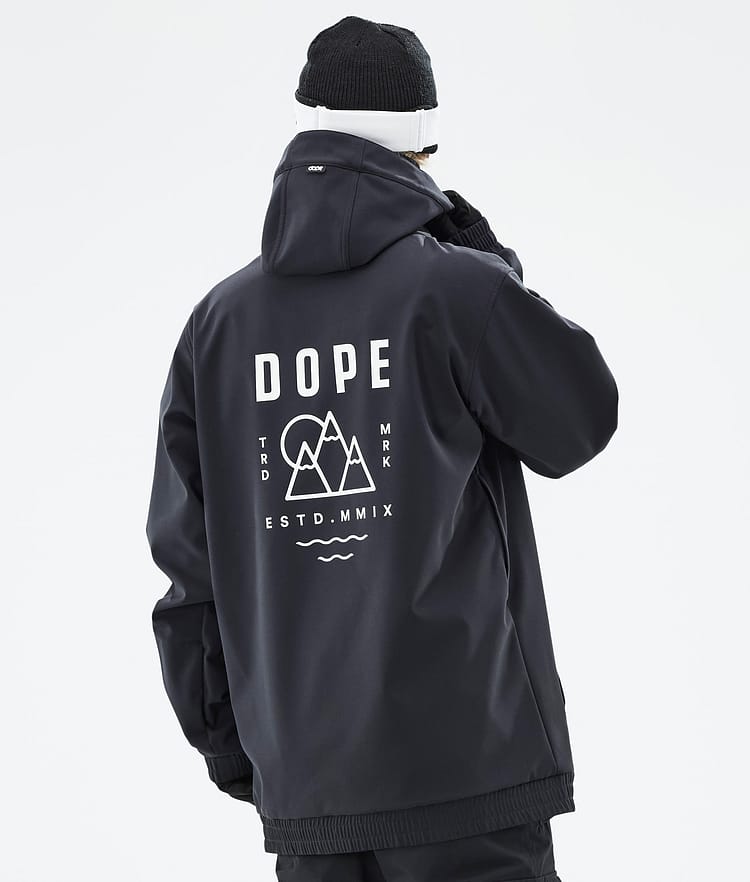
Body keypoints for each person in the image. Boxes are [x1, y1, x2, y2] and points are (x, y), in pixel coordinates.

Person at [146, 15, 618, 882]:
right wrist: (492, 265)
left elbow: (188, 566)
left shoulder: (217, 327)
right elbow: (579, 421)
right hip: (469, 774)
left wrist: (238, 746)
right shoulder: (454, 288)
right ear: (422, 146)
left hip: (309, 787)